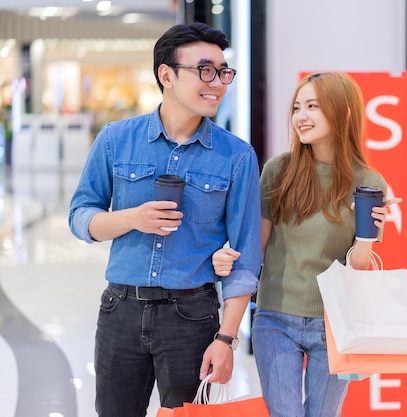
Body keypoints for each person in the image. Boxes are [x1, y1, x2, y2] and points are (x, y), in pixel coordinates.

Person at [68, 22, 262, 417]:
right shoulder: (115, 138)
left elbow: (245, 258)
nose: (218, 83)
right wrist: (132, 218)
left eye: (224, 72)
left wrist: (226, 339)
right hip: (120, 310)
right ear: (166, 75)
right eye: (205, 70)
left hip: (192, 318)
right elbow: (80, 217)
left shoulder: (236, 156)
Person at [213, 72, 401, 417]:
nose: (301, 116)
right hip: (275, 318)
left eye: (312, 106)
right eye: (298, 107)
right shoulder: (278, 171)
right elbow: (257, 248)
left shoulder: (368, 182)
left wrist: (365, 236)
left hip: (334, 322)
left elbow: (359, 268)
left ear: (343, 111)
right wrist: (226, 256)